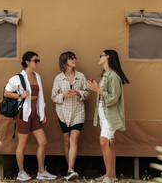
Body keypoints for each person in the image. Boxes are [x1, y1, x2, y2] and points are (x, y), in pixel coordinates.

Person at [4, 51, 57, 181]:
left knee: (43, 142)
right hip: (23, 114)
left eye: (38, 60)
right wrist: (20, 95)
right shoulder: (18, 78)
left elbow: (41, 96)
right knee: (22, 144)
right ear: (27, 62)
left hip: (35, 113)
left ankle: (41, 171)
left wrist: (42, 113)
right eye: (35, 60)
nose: (38, 63)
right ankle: (21, 172)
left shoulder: (37, 76)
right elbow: (6, 93)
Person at [87, 50, 130, 183]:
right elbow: (105, 93)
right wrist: (96, 86)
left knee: (104, 141)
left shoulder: (113, 76)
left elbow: (113, 98)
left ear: (107, 57)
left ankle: (108, 177)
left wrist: (97, 90)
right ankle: (111, 175)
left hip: (110, 114)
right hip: (103, 112)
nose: (99, 57)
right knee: (110, 143)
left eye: (101, 55)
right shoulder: (105, 74)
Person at [51, 51, 90, 180]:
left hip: (78, 112)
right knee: (66, 141)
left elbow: (87, 93)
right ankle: (70, 171)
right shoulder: (58, 78)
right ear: (64, 61)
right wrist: (63, 95)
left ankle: (70, 169)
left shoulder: (81, 76)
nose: (74, 59)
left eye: (75, 57)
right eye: (71, 58)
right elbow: (53, 96)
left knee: (74, 140)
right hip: (62, 113)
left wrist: (78, 93)